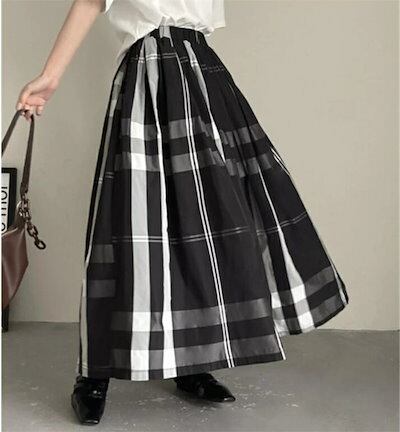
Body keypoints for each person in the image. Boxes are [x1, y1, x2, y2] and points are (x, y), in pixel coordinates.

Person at [15, 0, 349, 425]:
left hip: (203, 71)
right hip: (150, 69)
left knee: (205, 221)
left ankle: (191, 359)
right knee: (129, 222)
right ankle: (93, 373)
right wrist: (51, 76)